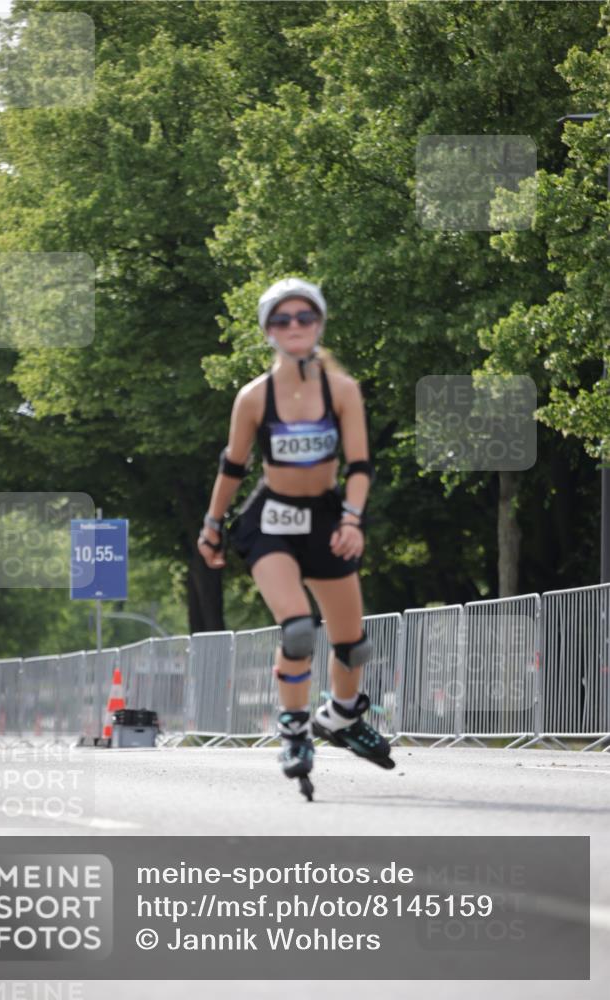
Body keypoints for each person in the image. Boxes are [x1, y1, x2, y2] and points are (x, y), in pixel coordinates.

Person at [197, 277, 394, 800]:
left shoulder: (342, 390)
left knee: (353, 645)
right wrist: (212, 524)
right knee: (300, 630)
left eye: (304, 317)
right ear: (268, 330)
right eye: (282, 319)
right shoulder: (254, 397)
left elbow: (360, 466)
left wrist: (351, 519)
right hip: (273, 520)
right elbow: (233, 466)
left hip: (327, 518)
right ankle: (294, 731)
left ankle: (342, 717)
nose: (294, 327)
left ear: (319, 323)